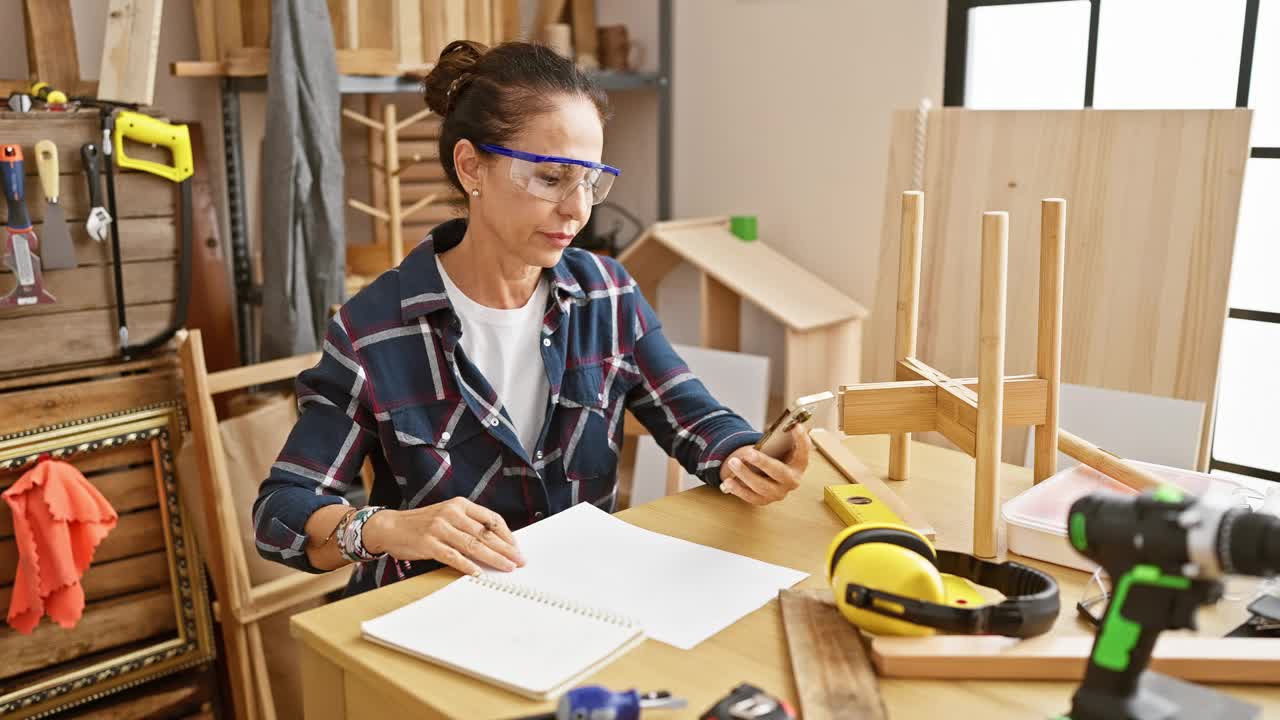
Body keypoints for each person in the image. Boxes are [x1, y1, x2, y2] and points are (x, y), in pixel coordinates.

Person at [252, 40, 812, 596]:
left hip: (586, 602)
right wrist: (386, 527)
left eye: (590, 180)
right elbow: (281, 512)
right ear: (471, 165)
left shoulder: (608, 296)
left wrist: (746, 456)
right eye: (550, 179)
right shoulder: (372, 330)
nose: (578, 208)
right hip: (437, 617)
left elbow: (697, 420)